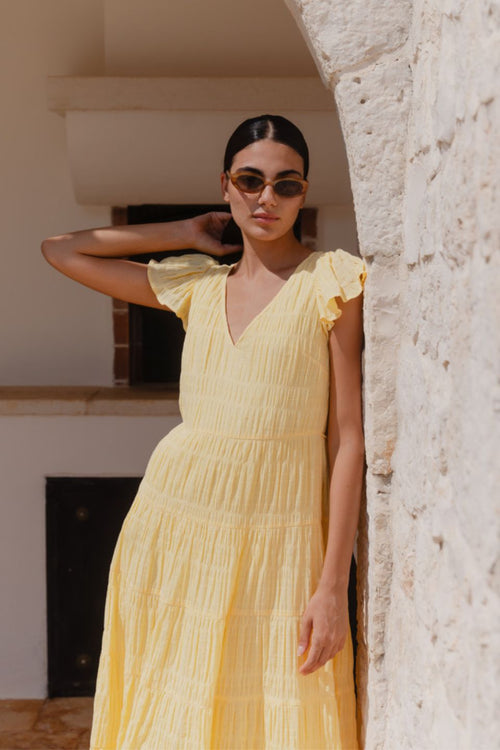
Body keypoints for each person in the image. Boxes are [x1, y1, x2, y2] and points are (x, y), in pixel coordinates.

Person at [42, 114, 367, 749]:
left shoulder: (333, 283)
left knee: (282, 706)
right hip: (179, 533)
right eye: (250, 180)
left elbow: (347, 437)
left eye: (286, 184)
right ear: (225, 186)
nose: (266, 198)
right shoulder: (195, 284)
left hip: (281, 542)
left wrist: (333, 584)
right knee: (177, 710)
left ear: (305, 192)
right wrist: (182, 231)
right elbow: (60, 249)